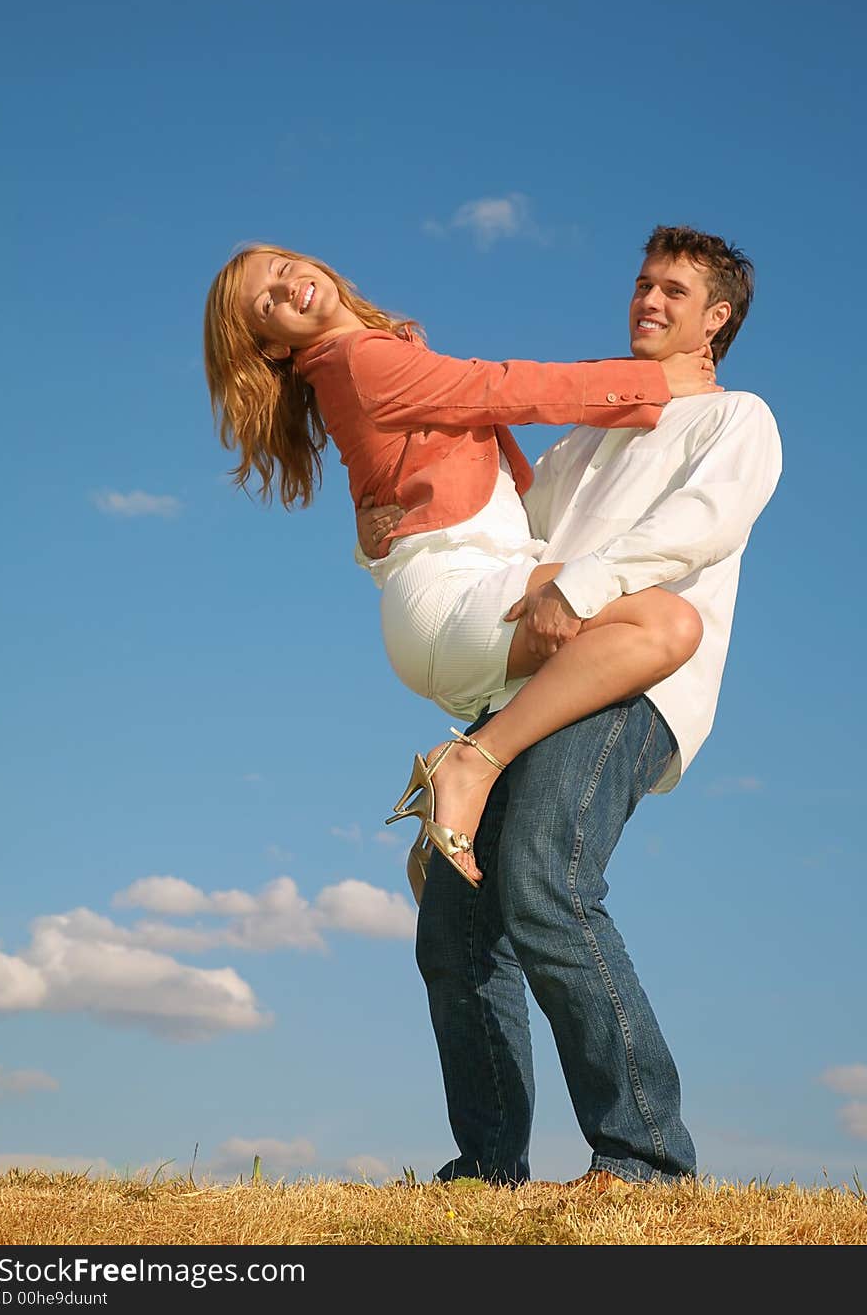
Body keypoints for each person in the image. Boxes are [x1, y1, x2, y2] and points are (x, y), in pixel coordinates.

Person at [358, 224, 782, 1188]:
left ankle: (645, 1156)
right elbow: (502, 539)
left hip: (636, 679)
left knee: (545, 879)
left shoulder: (737, 419)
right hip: (533, 686)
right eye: (642, 284)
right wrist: (391, 537)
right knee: (453, 923)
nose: (649, 300)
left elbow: (700, 527)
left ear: (716, 319)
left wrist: (582, 585)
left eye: (674, 290)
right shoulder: (593, 435)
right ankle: (489, 1164)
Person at [203, 242, 719, 899]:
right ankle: (468, 767)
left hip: (451, 597)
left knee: (631, 623)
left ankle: (442, 857)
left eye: (282, 269)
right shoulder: (362, 359)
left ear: (315, 265)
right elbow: (496, 387)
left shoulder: (360, 362)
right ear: (273, 345)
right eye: (266, 304)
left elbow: (381, 490)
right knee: (665, 622)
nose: (286, 288)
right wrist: (653, 383)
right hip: (453, 594)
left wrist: (367, 543)